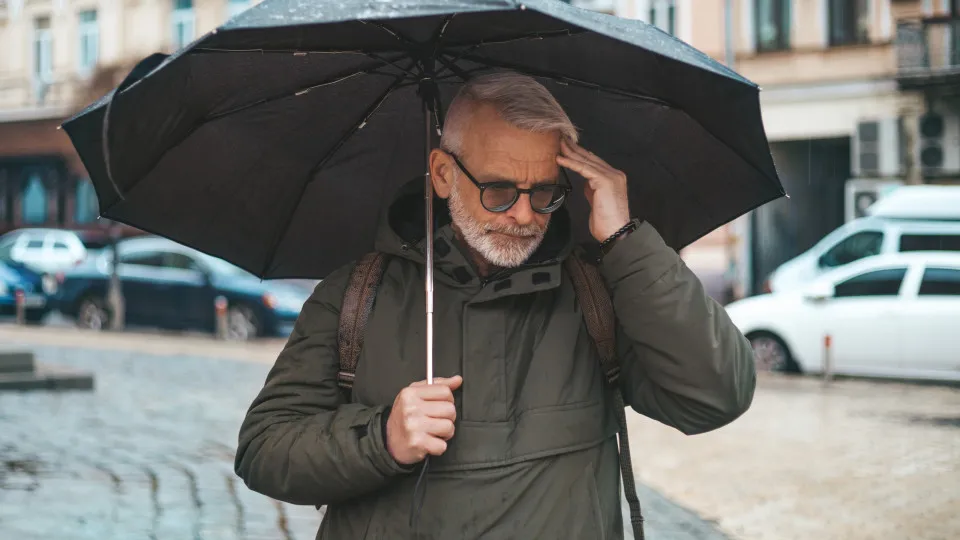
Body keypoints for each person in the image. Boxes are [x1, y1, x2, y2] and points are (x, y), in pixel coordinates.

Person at [235, 72, 756, 539]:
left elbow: (715, 396)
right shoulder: (354, 296)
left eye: (547, 192)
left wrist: (626, 241)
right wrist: (381, 439)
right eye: (500, 191)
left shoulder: (597, 293)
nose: (525, 215)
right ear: (442, 174)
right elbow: (264, 449)